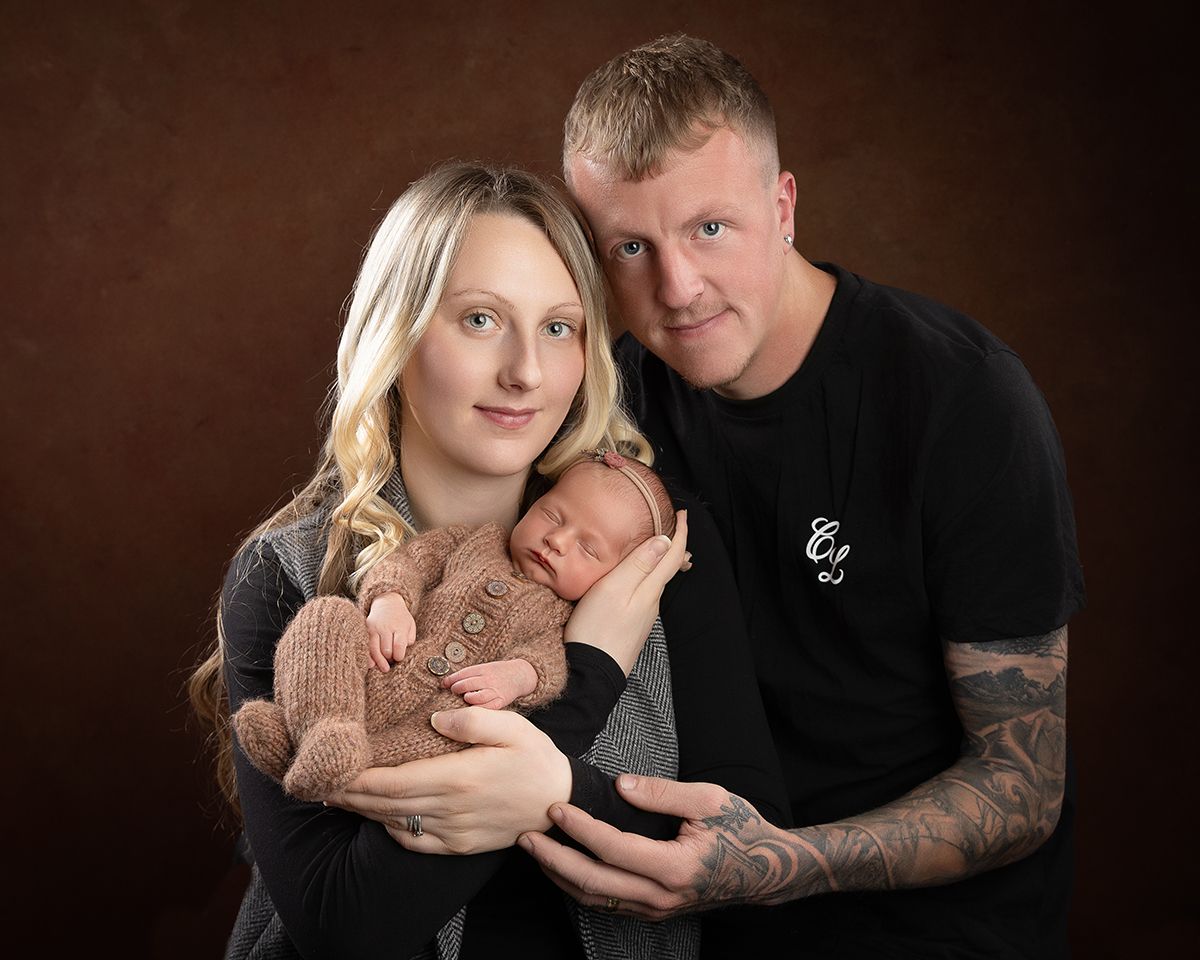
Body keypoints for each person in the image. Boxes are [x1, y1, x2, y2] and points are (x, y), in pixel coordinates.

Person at [516, 34, 1087, 959]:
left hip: (934, 930)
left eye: (710, 227)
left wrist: (780, 864)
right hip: (700, 915)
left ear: (783, 208)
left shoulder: (960, 398)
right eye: (631, 246)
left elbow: (1022, 786)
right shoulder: (602, 406)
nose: (678, 288)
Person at [189, 161, 788, 960]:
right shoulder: (289, 574)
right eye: (480, 320)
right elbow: (343, 919)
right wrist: (592, 675)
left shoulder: (650, 543)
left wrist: (555, 790)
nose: (526, 373)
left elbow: (747, 858)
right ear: (395, 336)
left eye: (559, 327)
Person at [231, 450, 678, 802]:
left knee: (458, 736)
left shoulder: (563, 616)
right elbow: (407, 563)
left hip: (443, 711)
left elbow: (548, 665)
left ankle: (336, 760)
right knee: (326, 617)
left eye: (588, 548)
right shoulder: (475, 541)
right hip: (374, 664)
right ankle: (323, 727)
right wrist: (390, 603)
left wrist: (515, 677)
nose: (556, 541)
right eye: (553, 515)